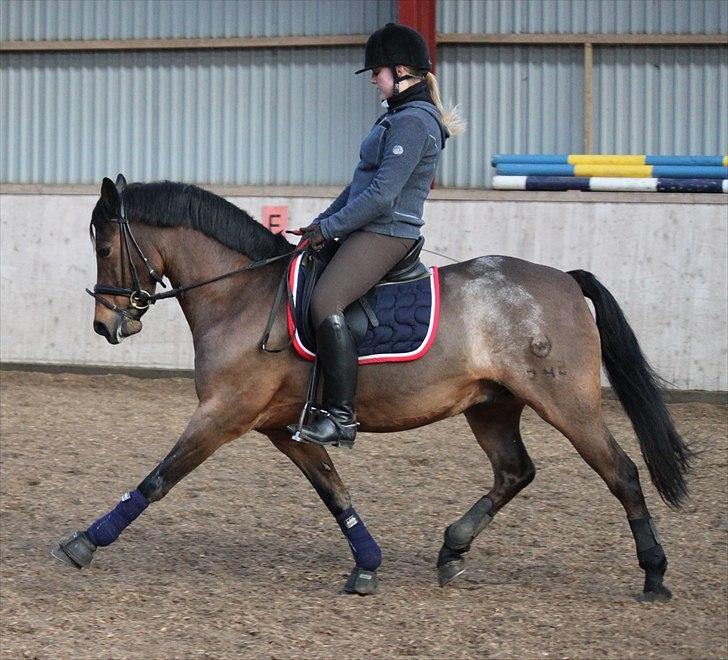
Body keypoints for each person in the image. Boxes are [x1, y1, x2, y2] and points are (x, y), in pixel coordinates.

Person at [294, 22, 465, 448]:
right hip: (370, 225)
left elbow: (383, 196)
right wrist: (321, 224)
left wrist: (332, 229)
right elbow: (357, 187)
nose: (373, 79)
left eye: (377, 72)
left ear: (401, 71)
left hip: (388, 231)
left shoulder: (415, 122)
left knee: (326, 300)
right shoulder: (395, 117)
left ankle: (341, 417)